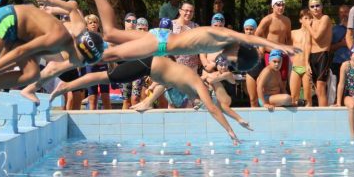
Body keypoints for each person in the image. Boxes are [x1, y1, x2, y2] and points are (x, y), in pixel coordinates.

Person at [65, 0, 298, 69]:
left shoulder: (222, 46)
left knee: (110, 34)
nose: (230, 63)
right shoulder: (226, 36)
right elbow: (254, 42)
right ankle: (62, 65)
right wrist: (280, 46)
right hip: (160, 44)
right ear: (238, 53)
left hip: (161, 37)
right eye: (234, 62)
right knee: (109, 55)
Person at [48, 55, 248, 142]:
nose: (199, 101)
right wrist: (229, 130)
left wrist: (147, 102)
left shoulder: (188, 82)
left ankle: (65, 67)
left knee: (105, 59)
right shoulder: (197, 84)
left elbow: (164, 84)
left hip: (147, 62)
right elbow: (214, 108)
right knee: (104, 75)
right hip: (146, 65)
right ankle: (65, 81)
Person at [255, 0, 292, 83]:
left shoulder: (287, 21)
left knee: (283, 81)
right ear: (273, 6)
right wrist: (260, 49)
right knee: (272, 81)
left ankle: (282, 96)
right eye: (278, 5)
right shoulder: (267, 19)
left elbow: (289, 38)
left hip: (283, 54)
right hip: (270, 53)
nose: (281, 7)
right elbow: (256, 35)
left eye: (283, 5)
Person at [305, 0, 333, 106]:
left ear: (322, 6)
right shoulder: (310, 23)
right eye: (312, 6)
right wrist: (306, 62)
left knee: (321, 87)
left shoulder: (325, 18)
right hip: (312, 56)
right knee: (317, 88)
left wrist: (307, 25)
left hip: (323, 54)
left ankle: (323, 113)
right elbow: (308, 43)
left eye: (317, 5)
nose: (315, 8)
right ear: (309, 9)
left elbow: (317, 37)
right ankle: (321, 113)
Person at [83, 14, 110, 110]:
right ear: (86, 26)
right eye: (90, 23)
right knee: (92, 99)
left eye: (95, 22)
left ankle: (110, 121)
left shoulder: (104, 38)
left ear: (98, 25)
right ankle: (91, 121)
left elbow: (108, 54)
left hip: (103, 68)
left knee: (105, 97)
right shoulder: (83, 39)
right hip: (90, 69)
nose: (93, 24)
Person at [289, 9, 313, 106]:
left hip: (307, 68)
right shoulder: (293, 33)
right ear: (300, 20)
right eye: (306, 18)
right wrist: (291, 60)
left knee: (308, 98)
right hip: (295, 67)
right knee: (294, 97)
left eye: (310, 18)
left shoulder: (312, 34)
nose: (308, 20)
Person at [242, 18, 265, 107]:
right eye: (247, 29)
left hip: (260, 72)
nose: (249, 31)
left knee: (261, 99)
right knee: (252, 99)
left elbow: (261, 55)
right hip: (250, 72)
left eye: (251, 29)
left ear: (255, 30)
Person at [330, 5, 350, 101]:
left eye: (346, 12)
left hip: (353, 63)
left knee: (351, 90)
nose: (344, 14)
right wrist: (342, 44)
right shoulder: (334, 30)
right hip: (337, 62)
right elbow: (329, 48)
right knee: (337, 88)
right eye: (341, 12)